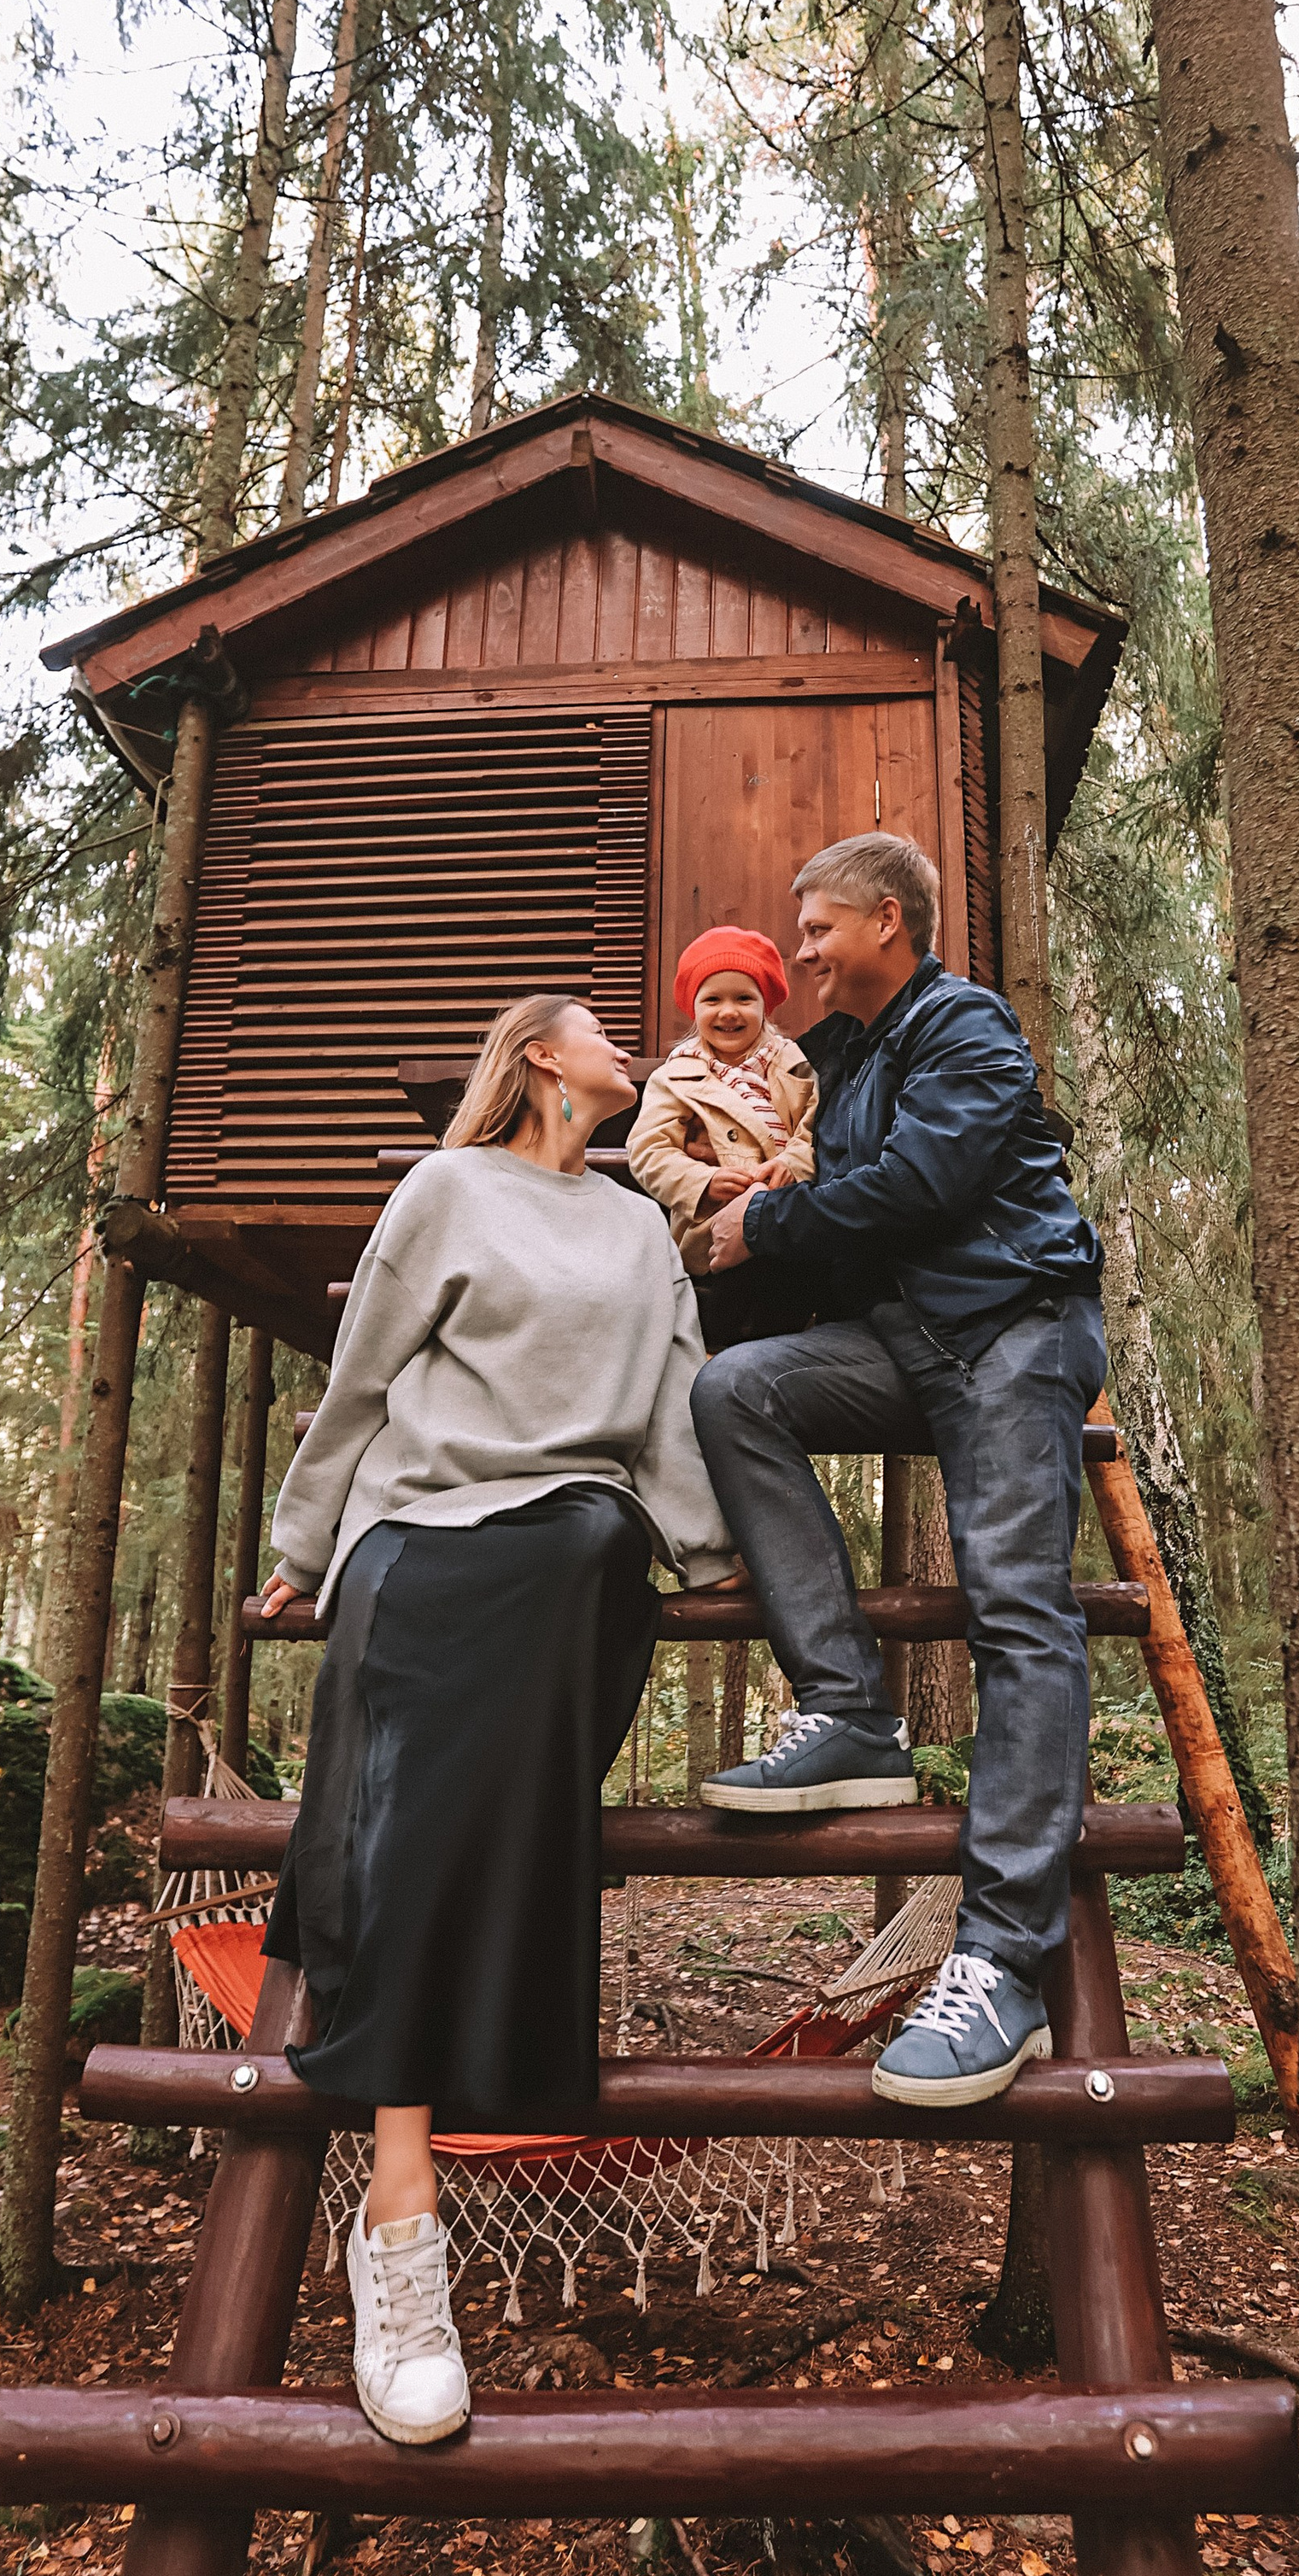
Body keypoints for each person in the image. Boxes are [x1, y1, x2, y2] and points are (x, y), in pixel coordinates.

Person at [255, 993, 734, 2445]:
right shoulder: (448, 1190)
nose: (629, 1053)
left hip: (566, 1536)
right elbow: (363, 1383)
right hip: (420, 1531)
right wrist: (303, 1543)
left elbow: (674, 1398)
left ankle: (405, 2146)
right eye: (604, 1035)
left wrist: (714, 1562)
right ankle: (402, 2231)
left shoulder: (642, 1231)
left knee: (590, 1548)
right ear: (540, 1058)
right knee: (437, 1767)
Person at [689, 832, 1108, 2110]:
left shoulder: (964, 1024)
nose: (800, 950)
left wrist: (761, 1217)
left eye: (816, 927)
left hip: (1012, 1327)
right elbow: (841, 1202)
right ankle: (851, 1711)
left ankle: (1001, 1965)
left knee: (1017, 1607)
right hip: (910, 1340)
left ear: (885, 920)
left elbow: (923, 1185)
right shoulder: (846, 1061)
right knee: (735, 1389)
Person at [626, 925, 817, 1346]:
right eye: (712, 999)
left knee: (790, 1300)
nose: (728, 1011)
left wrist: (792, 1163)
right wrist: (703, 1181)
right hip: (713, 1227)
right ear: (693, 1008)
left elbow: (814, 1125)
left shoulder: (793, 1063)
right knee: (724, 1316)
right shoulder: (677, 1076)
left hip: (786, 1214)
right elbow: (648, 1149)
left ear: (764, 1007)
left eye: (744, 999)